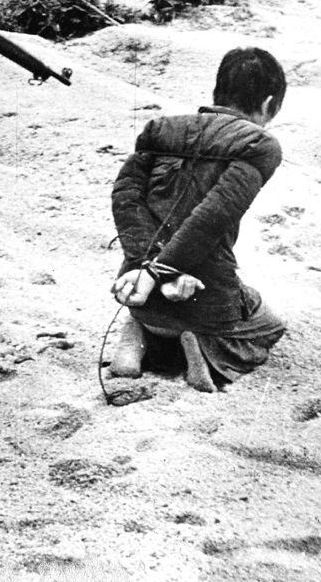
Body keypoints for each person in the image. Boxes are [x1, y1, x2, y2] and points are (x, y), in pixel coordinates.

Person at [108, 47, 288, 393]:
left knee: (158, 314)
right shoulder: (260, 143)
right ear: (268, 104)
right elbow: (215, 214)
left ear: (218, 91)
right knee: (267, 324)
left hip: (137, 290)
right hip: (202, 297)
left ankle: (139, 336)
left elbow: (125, 198)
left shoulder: (160, 128)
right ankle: (202, 351)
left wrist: (147, 266)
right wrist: (164, 271)